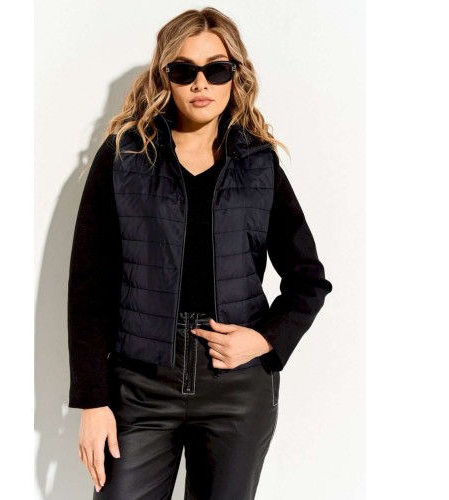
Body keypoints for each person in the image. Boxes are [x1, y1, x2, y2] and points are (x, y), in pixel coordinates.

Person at [67, 7, 333, 500]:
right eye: (183, 70)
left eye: (216, 69)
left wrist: (266, 340)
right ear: (164, 77)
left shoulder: (258, 165)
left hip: (237, 389)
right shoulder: (124, 158)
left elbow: (308, 280)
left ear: (236, 75)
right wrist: (92, 401)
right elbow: (89, 288)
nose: (200, 83)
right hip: (140, 386)